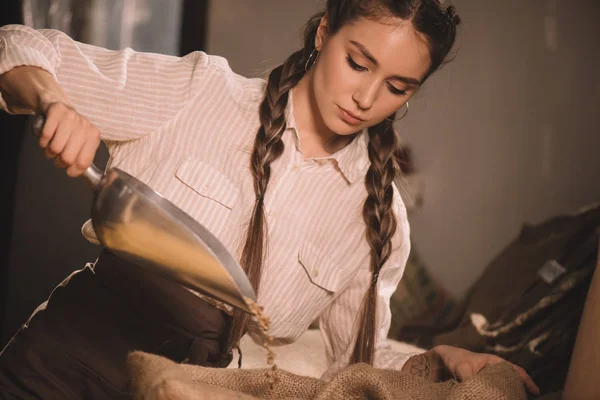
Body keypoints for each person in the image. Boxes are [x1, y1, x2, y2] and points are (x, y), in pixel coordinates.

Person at [0, 0, 540, 398]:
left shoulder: (379, 222)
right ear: (325, 32)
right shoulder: (202, 92)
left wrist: (439, 360)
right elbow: (20, 45)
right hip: (61, 368)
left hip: (189, 390)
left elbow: (357, 364)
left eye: (398, 87)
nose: (367, 99)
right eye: (358, 62)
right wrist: (53, 102)